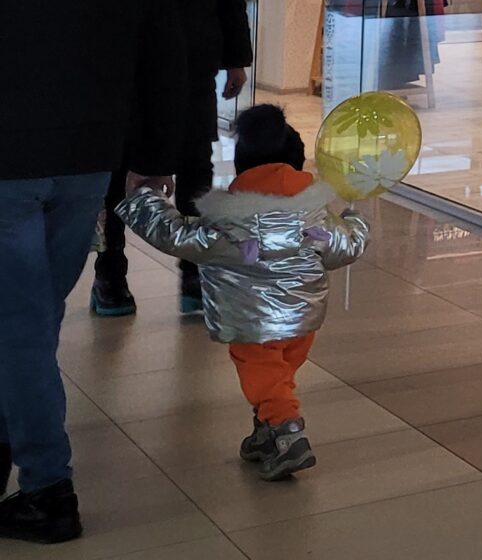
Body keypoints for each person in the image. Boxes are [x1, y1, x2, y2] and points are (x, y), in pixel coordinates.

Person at [0, 0, 187, 544]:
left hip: (8, 162)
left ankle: (48, 489)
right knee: (33, 317)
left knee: (19, 323)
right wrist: (155, 156)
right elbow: (164, 55)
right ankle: (15, 436)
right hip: (89, 161)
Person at [118, 105, 366, 483]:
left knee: (263, 375)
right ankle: (267, 432)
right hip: (303, 321)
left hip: (253, 324)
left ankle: (287, 432)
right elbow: (344, 247)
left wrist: (144, 198)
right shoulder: (316, 215)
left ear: (242, 166)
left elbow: (175, 234)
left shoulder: (229, 223)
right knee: (279, 376)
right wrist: (355, 220)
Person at [92, 0, 252, 319]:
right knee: (121, 170)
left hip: (196, 61)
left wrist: (236, 57)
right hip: (137, 63)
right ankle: (110, 274)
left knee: (196, 170)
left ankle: (194, 273)